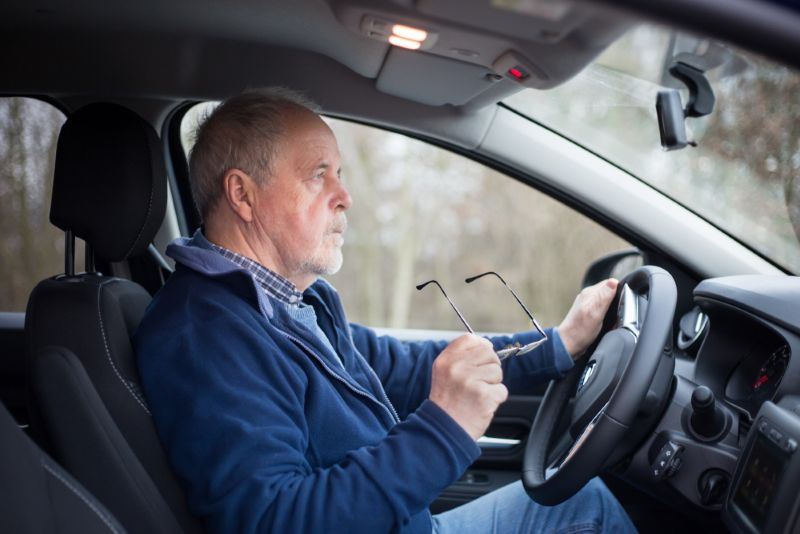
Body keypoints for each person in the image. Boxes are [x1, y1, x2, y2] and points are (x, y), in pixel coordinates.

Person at [134, 87, 636, 534]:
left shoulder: (290, 302)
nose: (345, 197)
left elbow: (400, 366)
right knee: (587, 508)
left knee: (583, 498)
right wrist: (443, 428)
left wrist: (558, 344)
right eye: (318, 175)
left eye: (340, 175)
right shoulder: (205, 335)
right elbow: (275, 520)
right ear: (243, 195)